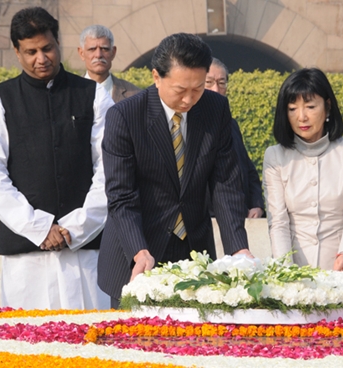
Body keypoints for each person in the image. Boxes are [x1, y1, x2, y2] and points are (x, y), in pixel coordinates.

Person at [98, 33, 252, 308]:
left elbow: (225, 184)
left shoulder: (215, 109)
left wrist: (238, 249)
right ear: (157, 77)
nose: (189, 99)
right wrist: (139, 251)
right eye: (180, 90)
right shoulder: (125, 116)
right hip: (138, 251)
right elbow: (121, 196)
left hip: (194, 251)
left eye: (198, 88)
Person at [0, 7, 114, 309]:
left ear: (58, 43)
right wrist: (39, 228)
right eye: (31, 51)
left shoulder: (94, 96)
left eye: (47, 48)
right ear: (17, 52)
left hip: (85, 250)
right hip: (26, 257)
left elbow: (109, 170)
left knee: (91, 346)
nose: (41, 59)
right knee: (25, 348)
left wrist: (75, 228)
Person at [263, 68, 343, 273]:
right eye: (292, 108)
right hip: (294, 269)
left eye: (310, 107)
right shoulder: (275, 156)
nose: (301, 117)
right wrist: (286, 272)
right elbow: (278, 222)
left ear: (327, 107)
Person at [204, 57, 264, 218]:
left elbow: (249, 170)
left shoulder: (231, 125)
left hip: (240, 218)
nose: (216, 89)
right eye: (209, 82)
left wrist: (257, 205)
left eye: (221, 83)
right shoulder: (186, 126)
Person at [78, 24, 141, 102]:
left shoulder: (135, 95)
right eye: (92, 49)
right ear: (81, 53)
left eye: (104, 49)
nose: (98, 55)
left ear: (113, 52)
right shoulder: (67, 92)